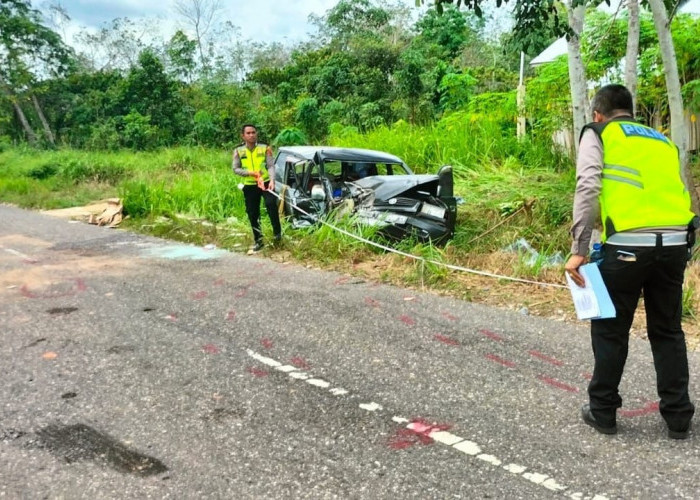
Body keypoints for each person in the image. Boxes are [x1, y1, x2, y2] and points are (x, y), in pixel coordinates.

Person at [565, 84, 696, 439]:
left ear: (597, 113)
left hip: (625, 245)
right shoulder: (661, 140)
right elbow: (683, 190)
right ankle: (679, 417)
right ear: (632, 112)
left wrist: (579, 246)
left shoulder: (599, 132)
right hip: (673, 244)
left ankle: (603, 411)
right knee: (667, 330)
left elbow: (588, 185)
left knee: (610, 329)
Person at [232, 124, 282, 252]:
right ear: (243, 136)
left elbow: (271, 165)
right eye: (248, 133)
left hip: (265, 182)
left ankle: (278, 236)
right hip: (250, 184)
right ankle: (258, 240)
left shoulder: (265, 148)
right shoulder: (238, 151)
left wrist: (272, 180)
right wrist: (250, 173)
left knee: (271, 205)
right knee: (252, 213)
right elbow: (235, 169)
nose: (251, 135)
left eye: (253, 132)